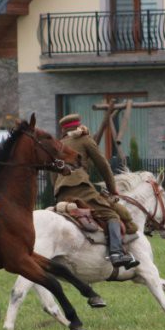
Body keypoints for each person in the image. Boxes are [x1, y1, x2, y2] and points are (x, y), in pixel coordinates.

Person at [54, 113, 139, 269]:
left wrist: (58, 189)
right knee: (110, 214)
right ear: (79, 125)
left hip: (61, 192)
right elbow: (103, 165)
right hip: (80, 188)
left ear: (64, 130)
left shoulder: (59, 145)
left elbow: (52, 173)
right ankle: (116, 253)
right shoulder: (85, 140)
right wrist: (113, 189)